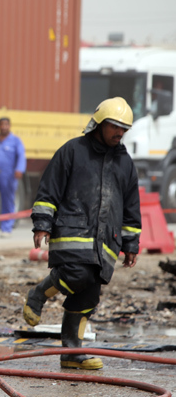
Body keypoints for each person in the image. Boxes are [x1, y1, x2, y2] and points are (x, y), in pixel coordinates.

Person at [23, 96, 141, 370]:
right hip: (72, 232)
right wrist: (42, 223)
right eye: (114, 126)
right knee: (77, 274)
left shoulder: (125, 163)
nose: (119, 133)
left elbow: (131, 207)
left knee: (89, 296)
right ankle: (39, 294)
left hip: (106, 243)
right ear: (99, 124)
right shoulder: (72, 151)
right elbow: (48, 190)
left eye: (124, 129)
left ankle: (72, 353)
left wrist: (131, 243)